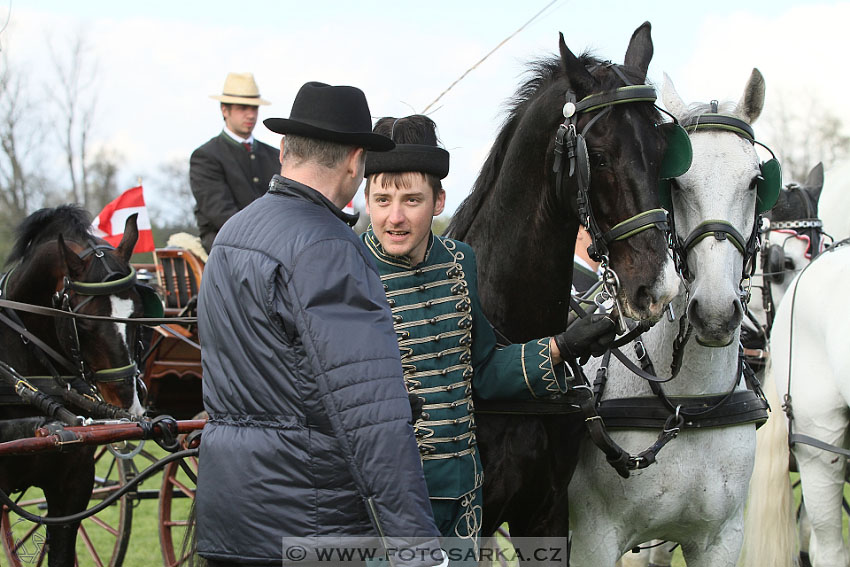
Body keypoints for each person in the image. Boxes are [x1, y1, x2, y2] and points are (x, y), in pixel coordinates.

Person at [195, 84, 444, 567]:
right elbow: (371, 416)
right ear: (356, 162)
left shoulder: (231, 235)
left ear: (285, 150)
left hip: (229, 521)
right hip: (311, 526)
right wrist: (418, 548)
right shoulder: (327, 247)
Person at [361, 115, 617, 559]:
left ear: (439, 200)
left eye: (412, 199)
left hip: (462, 500)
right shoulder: (347, 267)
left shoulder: (460, 263)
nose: (395, 217)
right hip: (386, 503)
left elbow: (481, 371)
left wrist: (561, 347)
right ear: (366, 198)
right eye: (382, 200)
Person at [190, 72, 280, 253]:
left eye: (254, 108)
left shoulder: (275, 155)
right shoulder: (206, 156)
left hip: (275, 242)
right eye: (243, 108)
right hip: (226, 244)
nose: (251, 115)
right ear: (225, 110)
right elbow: (221, 213)